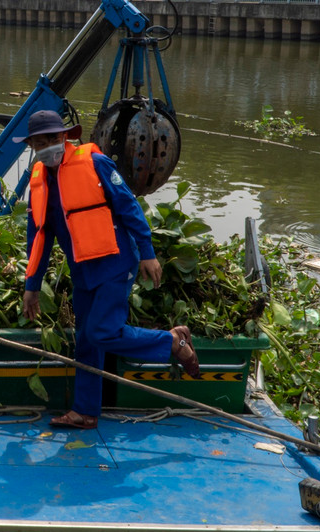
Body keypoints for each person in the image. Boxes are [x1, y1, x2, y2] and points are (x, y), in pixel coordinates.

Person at [15, 109, 199, 430]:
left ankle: (170, 343)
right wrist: (32, 286)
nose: (47, 147)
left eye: (52, 140)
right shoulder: (40, 182)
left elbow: (128, 206)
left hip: (115, 262)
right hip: (83, 272)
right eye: (39, 143)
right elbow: (39, 239)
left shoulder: (94, 163)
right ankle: (85, 412)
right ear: (32, 145)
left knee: (102, 331)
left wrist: (147, 253)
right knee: (86, 340)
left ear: (65, 137)